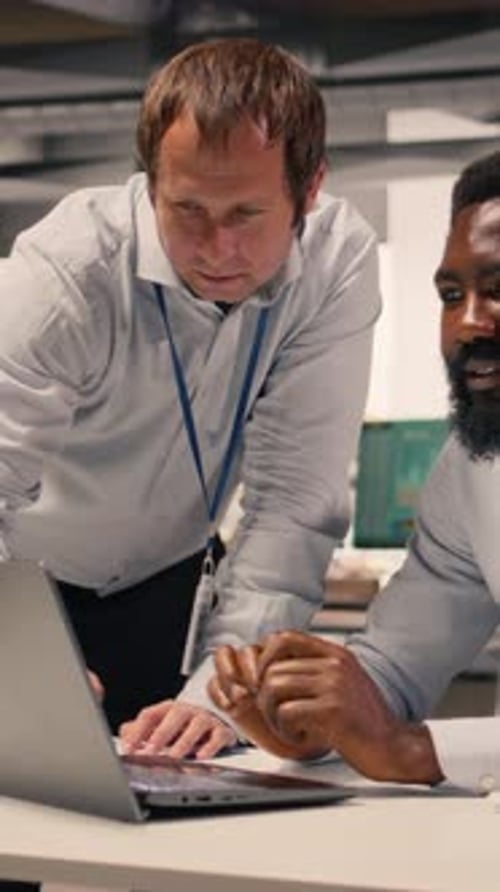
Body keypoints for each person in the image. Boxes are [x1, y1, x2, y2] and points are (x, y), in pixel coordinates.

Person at [0, 38, 380, 759]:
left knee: (179, 820)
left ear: (311, 189)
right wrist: (17, 653)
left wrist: (223, 691)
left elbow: (296, 500)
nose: (216, 247)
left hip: (168, 588)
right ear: (149, 184)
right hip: (21, 585)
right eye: (188, 209)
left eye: (245, 214)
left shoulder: (335, 264)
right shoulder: (68, 276)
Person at [209, 149, 500, 791]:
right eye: (453, 296)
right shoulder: (474, 467)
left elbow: (400, 741)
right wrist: (309, 714)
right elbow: (397, 664)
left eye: (498, 290)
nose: (469, 324)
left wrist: (417, 750)